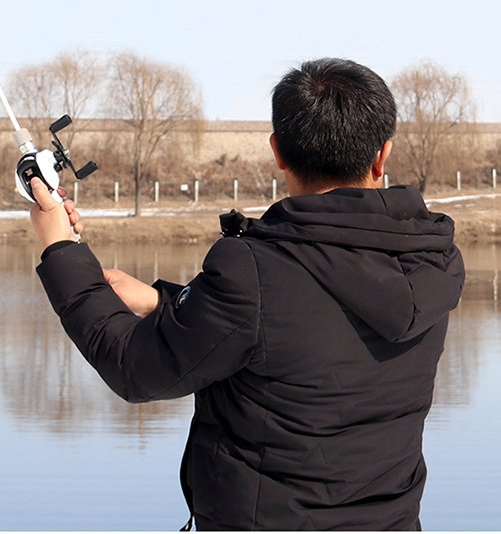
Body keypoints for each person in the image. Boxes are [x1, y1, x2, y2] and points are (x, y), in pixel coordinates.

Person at [29, 58, 465, 531]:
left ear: (277, 151)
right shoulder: (429, 258)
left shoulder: (253, 271)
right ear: (383, 154)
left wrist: (59, 251)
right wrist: (165, 302)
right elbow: (305, 327)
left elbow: (136, 368)